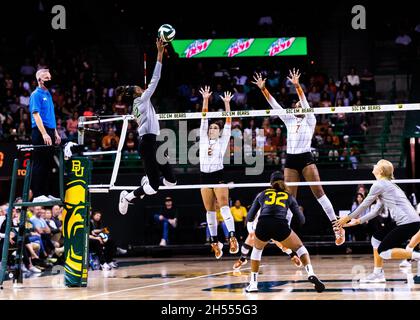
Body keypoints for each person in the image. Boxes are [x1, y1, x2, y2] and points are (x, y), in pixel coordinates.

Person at [252, 69, 345, 246]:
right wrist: (263, 89)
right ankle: (283, 230)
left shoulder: (310, 119)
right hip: (291, 160)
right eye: (296, 106)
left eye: (301, 106)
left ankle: (337, 226)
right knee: (289, 197)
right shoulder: (289, 120)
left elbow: (304, 101)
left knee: (318, 192)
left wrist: (297, 86)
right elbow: (275, 105)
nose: (298, 107)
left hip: (305, 158)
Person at [118, 39, 177, 215]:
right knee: (154, 186)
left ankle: (145, 184)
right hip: (147, 143)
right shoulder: (141, 100)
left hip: (153, 141)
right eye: (138, 88)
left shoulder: (138, 104)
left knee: (171, 181)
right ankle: (127, 197)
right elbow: (156, 78)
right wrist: (159, 53)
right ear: (136, 92)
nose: (141, 88)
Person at [336, 160, 420, 283]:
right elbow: (375, 212)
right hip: (405, 221)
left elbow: (365, 204)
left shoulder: (379, 185)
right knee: (376, 239)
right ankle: (378, 274)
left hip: (408, 222)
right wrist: (358, 221)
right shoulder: (385, 185)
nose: (373, 165)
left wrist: (347, 217)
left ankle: (417, 256)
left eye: (376, 165)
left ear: (380, 171)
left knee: (383, 252)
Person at [244, 171, 325, 293]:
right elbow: (301, 220)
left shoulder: (262, 194)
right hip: (280, 225)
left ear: (270, 183)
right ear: (284, 182)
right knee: (300, 248)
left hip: (263, 224)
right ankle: (310, 273)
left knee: (257, 251)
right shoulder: (289, 196)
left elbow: (249, 217)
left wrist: (253, 228)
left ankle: (253, 284)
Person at [198, 86, 238, 259]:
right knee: (209, 211)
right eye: (211, 128)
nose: (211, 129)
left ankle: (232, 237)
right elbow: (203, 118)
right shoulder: (203, 138)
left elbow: (228, 122)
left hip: (218, 175)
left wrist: (227, 104)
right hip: (204, 177)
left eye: (215, 128)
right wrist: (206, 99)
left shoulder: (222, 141)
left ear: (219, 131)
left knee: (223, 205)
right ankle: (215, 242)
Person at [29, 68, 61, 200]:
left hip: (49, 131)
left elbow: (50, 116)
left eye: (50, 77)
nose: (49, 80)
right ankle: (37, 195)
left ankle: (46, 193)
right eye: (47, 78)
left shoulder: (48, 94)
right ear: (39, 80)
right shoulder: (35, 95)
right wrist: (44, 134)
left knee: (48, 164)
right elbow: (36, 115)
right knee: (40, 163)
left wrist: (55, 133)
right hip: (39, 131)